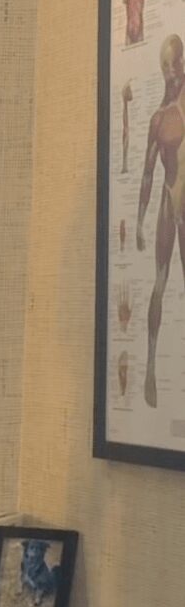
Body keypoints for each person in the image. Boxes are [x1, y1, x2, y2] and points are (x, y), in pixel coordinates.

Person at [136, 33, 185, 408]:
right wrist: (138, 222)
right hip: (170, 203)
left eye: (175, 62)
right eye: (166, 65)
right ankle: (151, 366)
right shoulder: (159, 119)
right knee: (160, 281)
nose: (171, 71)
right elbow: (148, 173)